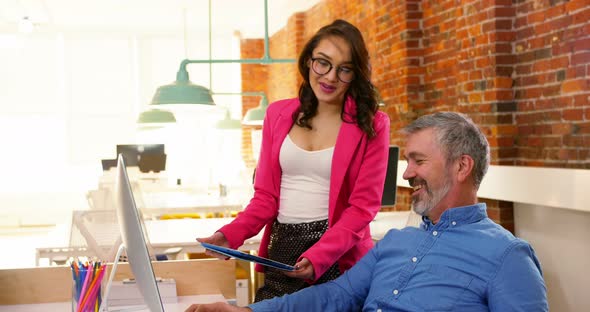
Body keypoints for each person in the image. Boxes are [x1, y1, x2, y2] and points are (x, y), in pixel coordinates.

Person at [186, 112, 548, 312]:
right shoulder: (395, 242)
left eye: (418, 161)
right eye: (407, 161)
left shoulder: (507, 255)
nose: (406, 173)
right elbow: (333, 296)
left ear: (461, 167)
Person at [197, 19, 391, 301]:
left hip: (339, 253)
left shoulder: (372, 124)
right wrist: (228, 236)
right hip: (283, 249)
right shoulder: (277, 115)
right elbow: (265, 197)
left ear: (356, 74)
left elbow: (362, 208)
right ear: (308, 61)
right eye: (323, 63)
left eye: (344, 69)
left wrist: (319, 255)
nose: (330, 77)